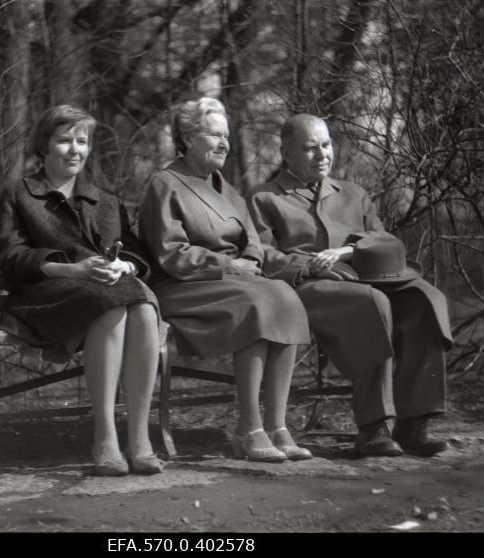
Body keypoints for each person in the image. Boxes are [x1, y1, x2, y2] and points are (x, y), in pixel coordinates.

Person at [247, 114, 453, 457]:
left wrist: (348, 250)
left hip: (367, 277)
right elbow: (263, 255)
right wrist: (310, 266)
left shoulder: (354, 194)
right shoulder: (264, 198)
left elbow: (386, 242)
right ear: (286, 152)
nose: (322, 155)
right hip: (305, 290)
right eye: (310, 148)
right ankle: (373, 428)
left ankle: (414, 423)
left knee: (424, 298)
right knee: (371, 303)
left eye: (326, 145)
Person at [138, 97, 312, 462]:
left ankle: (278, 426)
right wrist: (229, 267)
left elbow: (253, 241)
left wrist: (249, 261)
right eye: (214, 134)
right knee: (256, 302)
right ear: (186, 138)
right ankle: (249, 428)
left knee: (284, 295)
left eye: (226, 136)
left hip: (233, 281)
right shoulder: (165, 183)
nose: (224, 143)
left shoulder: (224, 187)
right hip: (183, 286)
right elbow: (171, 254)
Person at [0, 105, 163, 476]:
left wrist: (127, 265)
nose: (74, 149)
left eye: (82, 141)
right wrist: (73, 269)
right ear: (44, 146)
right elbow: (10, 258)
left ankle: (139, 439)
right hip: (43, 295)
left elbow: (136, 249)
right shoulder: (21, 194)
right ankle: (104, 437)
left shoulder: (105, 200)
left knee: (143, 307)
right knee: (112, 303)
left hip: (106, 290)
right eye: (64, 140)